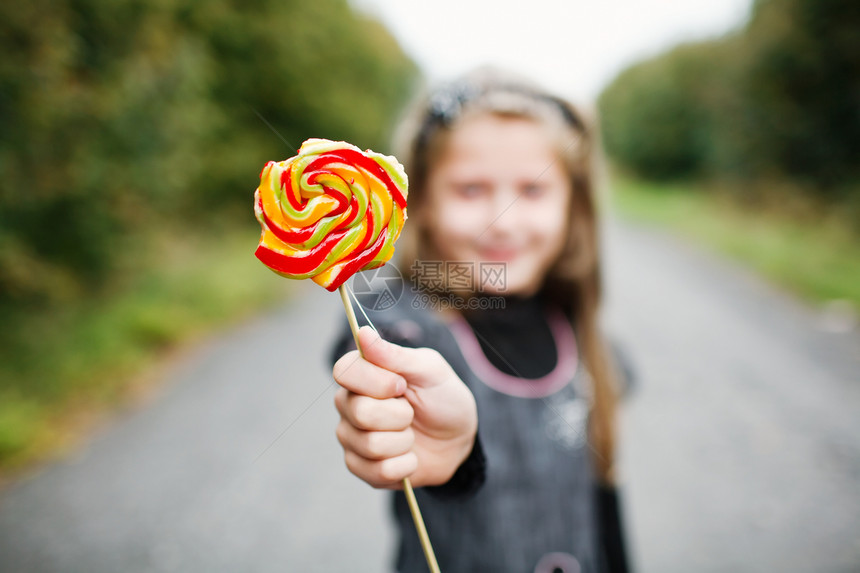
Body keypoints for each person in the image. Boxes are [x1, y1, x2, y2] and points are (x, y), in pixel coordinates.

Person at [330, 68, 632, 573]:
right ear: (421, 202)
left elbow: (606, 500)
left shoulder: (581, 334)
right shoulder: (408, 328)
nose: (503, 221)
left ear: (572, 205)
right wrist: (453, 455)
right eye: (471, 190)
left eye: (532, 192)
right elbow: (367, 340)